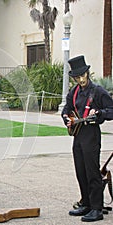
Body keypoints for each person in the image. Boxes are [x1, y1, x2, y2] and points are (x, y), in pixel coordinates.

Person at [61, 55, 113, 222]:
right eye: (77, 77)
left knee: (92, 172)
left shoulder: (98, 91)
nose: (80, 79)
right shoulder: (73, 92)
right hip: (78, 134)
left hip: (91, 134)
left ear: (88, 73)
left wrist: (100, 113)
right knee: (80, 170)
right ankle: (86, 203)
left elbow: (111, 109)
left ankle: (97, 208)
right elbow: (66, 110)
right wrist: (67, 119)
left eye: (82, 76)